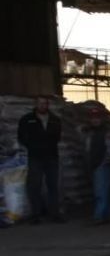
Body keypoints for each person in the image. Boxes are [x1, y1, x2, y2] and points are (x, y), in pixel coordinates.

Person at [17, 95, 63, 224]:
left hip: (52, 157)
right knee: (34, 186)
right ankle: (35, 215)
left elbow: (58, 137)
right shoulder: (27, 119)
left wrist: (49, 146)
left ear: (48, 105)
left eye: (45, 103)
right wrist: (32, 146)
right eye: (40, 103)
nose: (43, 106)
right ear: (35, 104)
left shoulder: (55, 120)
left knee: (53, 186)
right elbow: (21, 136)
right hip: (35, 157)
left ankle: (55, 214)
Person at [83, 107, 110, 225]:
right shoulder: (89, 133)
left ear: (101, 119)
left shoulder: (106, 132)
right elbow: (87, 149)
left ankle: (99, 216)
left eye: (97, 118)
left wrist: (104, 162)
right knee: (102, 191)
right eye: (93, 118)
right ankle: (105, 215)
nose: (95, 120)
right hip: (93, 165)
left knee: (100, 192)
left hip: (102, 165)